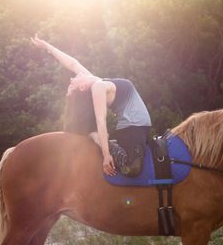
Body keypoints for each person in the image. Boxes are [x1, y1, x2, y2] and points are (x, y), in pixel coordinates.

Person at [31, 34, 152, 177]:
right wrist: (106, 155)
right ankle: (98, 140)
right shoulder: (97, 87)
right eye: (72, 83)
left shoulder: (97, 81)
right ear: (82, 88)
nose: (72, 78)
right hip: (131, 128)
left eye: (73, 79)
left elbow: (72, 63)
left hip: (136, 127)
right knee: (132, 168)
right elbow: (101, 121)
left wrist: (47, 47)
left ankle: (99, 139)